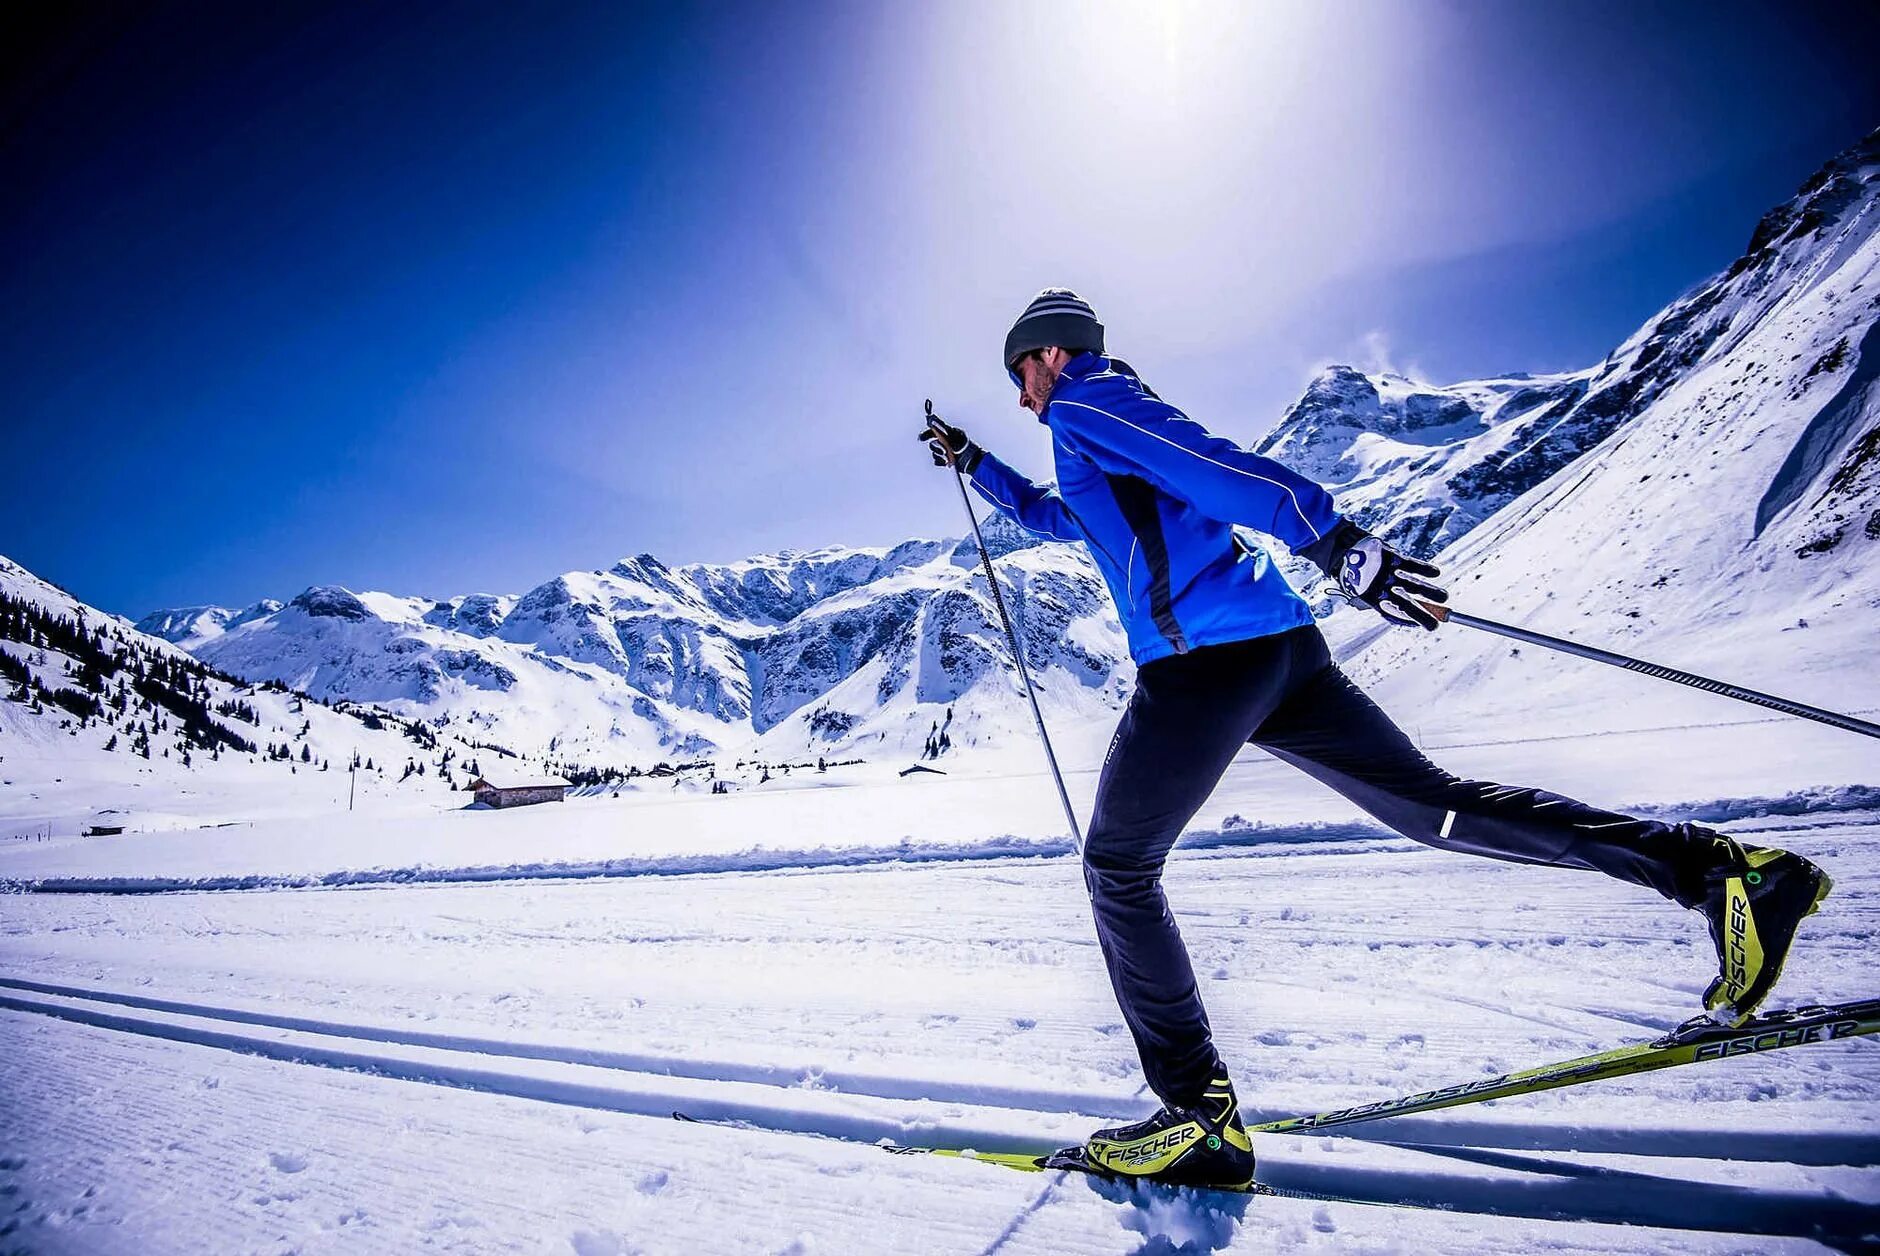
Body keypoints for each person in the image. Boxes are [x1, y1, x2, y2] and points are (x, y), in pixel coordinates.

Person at [917, 288, 1833, 1189]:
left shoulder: (1089, 399)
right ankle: (1725, 877)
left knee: (1116, 867)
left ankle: (1198, 1116)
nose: (1020, 397)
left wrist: (1335, 540)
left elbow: (1217, 467)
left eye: (1017, 377)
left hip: (1204, 664)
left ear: (1046, 354)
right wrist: (973, 463)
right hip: (1279, 654)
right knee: (1437, 807)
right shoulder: (1093, 438)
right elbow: (1056, 516)